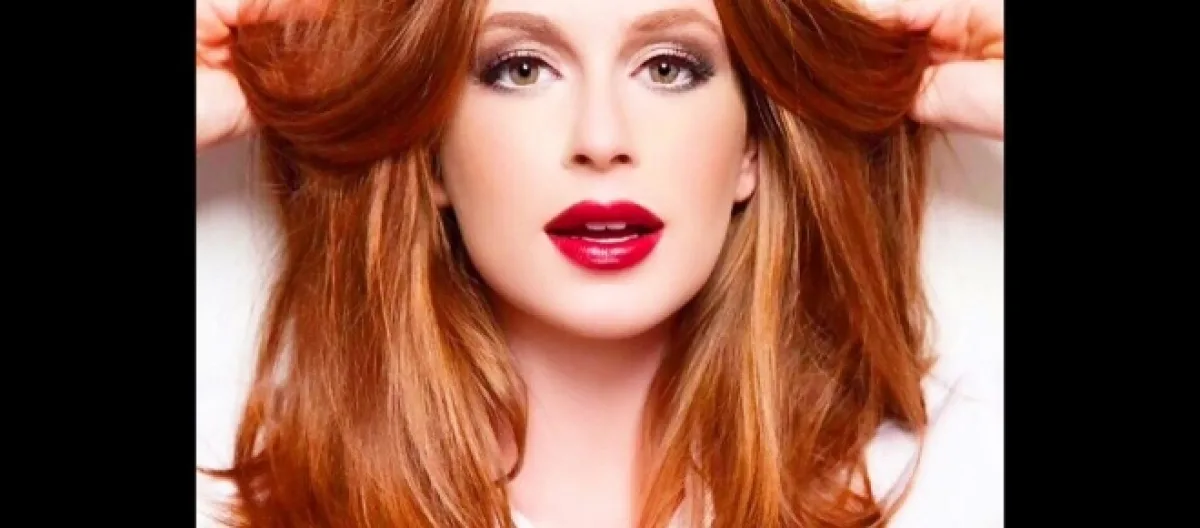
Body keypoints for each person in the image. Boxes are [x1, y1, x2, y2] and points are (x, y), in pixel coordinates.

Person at [196, 0, 1003, 526]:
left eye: (668, 67)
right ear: (431, 151)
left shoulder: (951, 492)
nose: (601, 138)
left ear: (752, 148)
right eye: (521, 68)